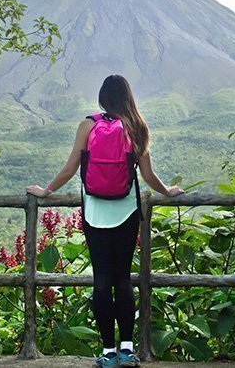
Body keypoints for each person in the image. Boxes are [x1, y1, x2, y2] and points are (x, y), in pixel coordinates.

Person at [27, 74, 184, 367]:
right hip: (126, 211)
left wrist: (45, 191)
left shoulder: (88, 125)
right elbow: (148, 176)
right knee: (123, 281)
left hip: (95, 212)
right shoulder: (136, 126)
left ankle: (108, 353)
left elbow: (71, 168)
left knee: (101, 282)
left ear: (102, 98)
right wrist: (169, 191)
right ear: (128, 97)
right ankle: (127, 350)